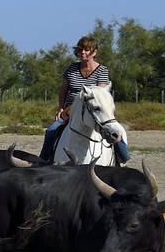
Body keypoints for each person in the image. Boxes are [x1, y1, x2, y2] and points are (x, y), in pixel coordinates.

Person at [39, 34, 128, 163]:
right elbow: (64, 89)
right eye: (80, 50)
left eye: (86, 50)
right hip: (69, 112)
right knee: (51, 130)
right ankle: (43, 161)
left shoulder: (102, 71)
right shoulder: (71, 69)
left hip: (94, 110)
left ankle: (122, 159)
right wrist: (61, 108)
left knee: (115, 132)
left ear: (94, 52)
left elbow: (100, 94)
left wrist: (74, 107)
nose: (83, 53)